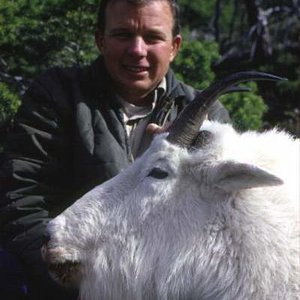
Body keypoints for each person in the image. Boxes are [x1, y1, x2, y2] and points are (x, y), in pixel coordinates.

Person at [0, 0, 230, 299]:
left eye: (152, 37)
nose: (137, 50)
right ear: (100, 40)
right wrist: (65, 278)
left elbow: (223, 221)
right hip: (70, 279)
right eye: (123, 35)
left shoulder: (206, 115)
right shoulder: (56, 94)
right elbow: (19, 196)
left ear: (174, 46)